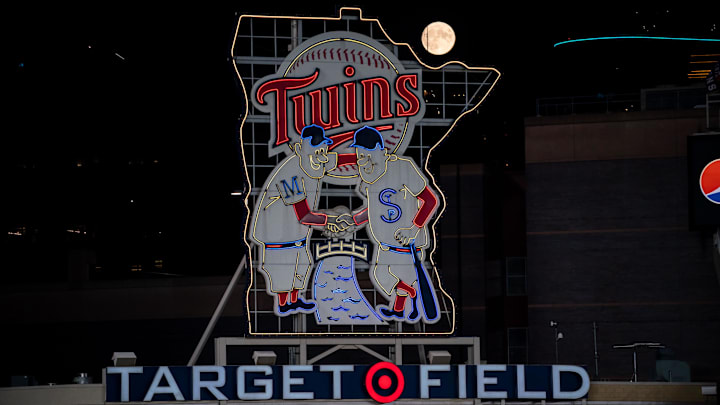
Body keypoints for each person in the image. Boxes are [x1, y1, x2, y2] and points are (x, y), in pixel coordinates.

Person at [347, 126, 439, 322]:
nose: (362, 158)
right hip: (384, 242)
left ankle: (408, 302)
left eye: (366, 152)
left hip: (406, 243)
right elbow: (375, 209)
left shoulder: (402, 167)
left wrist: (413, 228)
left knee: (396, 276)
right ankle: (403, 304)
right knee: (383, 276)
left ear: (379, 148)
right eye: (359, 153)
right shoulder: (370, 174)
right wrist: (354, 220)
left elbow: (430, 200)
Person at [249, 124, 338, 315]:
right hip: (278, 237)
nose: (322, 155)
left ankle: (295, 300)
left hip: (296, 236)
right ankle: (284, 304)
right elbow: (303, 215)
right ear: (300, 149)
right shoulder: (290, 173)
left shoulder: (313, 163)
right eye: (317, 150)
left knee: (303, 265)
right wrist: (330, 220)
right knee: (284, 272)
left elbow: (337, 160)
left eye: (324, 149)